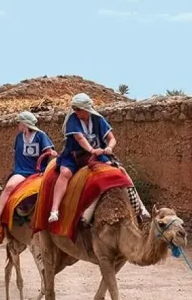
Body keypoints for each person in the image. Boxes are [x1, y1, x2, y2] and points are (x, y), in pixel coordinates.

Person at [48, 93, 150, 223]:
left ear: (86, 109)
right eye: (74, 108)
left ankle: (140, 207)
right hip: (75, 155)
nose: (75, 111)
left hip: (97, 154)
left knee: (118, 170)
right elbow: (79, 138)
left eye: (78, 109)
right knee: (65, 173)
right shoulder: (73, 119)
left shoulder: (98, 119)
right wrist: (91, 150)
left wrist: (109, 148)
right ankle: (54, 209)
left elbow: (111, 138)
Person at [0, 111, 56, 229]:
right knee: (9, 187)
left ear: (25, 124)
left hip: (38, 172)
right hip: (22, 171)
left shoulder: (41, 135)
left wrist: (50, 153)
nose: (18, 125)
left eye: (19, 123)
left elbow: (49, 151)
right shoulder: (19, 137)